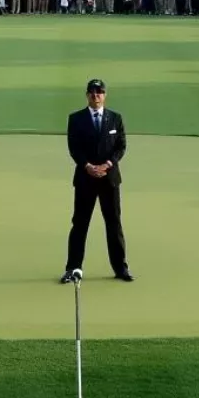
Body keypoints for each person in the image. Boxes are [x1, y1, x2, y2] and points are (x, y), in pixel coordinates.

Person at [61, 78, 133, 283]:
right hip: (85, 179)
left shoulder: (115, 119)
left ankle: (120, 268)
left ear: (105, 95)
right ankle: (73, 268)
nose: (96, 95)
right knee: (80, 224)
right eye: (92, 92)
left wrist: (108, 164)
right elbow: (74, 148)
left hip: (109, 179)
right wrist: (88, 166)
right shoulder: (76, 119)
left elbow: (121, 146)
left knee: (113, 224)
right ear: (87, 95)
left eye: (99, 92)